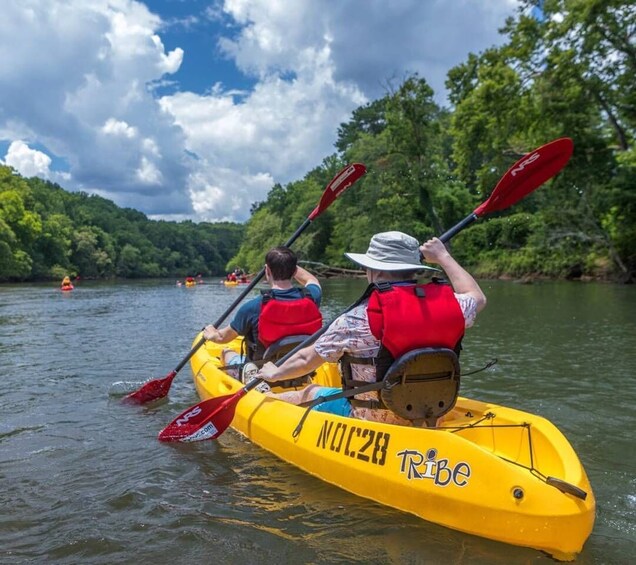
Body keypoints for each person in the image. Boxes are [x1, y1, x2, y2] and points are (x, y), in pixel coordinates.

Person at [257, 231, 487, 425]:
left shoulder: (357, 318)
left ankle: (260, 401)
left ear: (374, 270)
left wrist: (274, 373)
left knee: (309, 392)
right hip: (430, 413)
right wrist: (443, 256)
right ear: (413, 269)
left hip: (371, 419)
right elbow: (477, 297)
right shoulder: (451, 307)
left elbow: (307, 359)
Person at [203, 247, 323, 382]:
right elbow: (311, 280)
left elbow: (222, 337)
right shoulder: (312, 297)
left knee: (226, 352)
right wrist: (289, 264)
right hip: (300, 367)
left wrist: (211, 333)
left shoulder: (253, 307)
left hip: (262, 372)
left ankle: (249, 375)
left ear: (267, 271)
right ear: (294, 271)